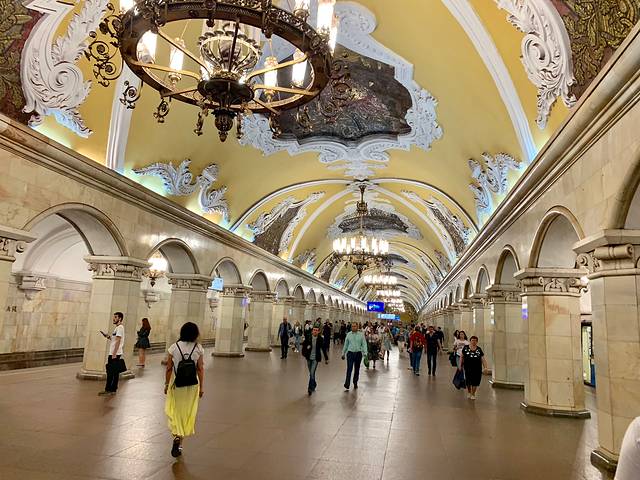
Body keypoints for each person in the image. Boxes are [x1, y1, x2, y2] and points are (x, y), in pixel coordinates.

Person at [164, 322, 205, 457]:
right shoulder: (198, 348)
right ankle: (180, 441)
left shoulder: (174, 347)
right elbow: (200, 369)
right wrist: (201, 387)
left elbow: (169, 368)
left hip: (177, 384)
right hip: (192, 385)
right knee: (187, 411)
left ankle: (177, 435)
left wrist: (166, 384)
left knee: (176, 410)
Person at [98, 312, 125, 396]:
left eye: (116, 317)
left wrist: (114, 354)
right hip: (115, 353)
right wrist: (107, 336)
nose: (114, 318)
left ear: (120, 318)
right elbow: (114, 340)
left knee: (111, 372)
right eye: (114, 317)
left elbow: (118, 341)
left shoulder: (120, 328)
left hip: (115, 353)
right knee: (114, 372)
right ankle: (113, 389)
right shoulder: (117, 328)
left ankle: (108, 390)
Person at [342, 322, 368, 391]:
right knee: (349, 369)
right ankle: (347, 384)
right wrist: (343, 353)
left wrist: (365, 353)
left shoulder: (361, 335)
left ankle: (355, 382)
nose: (353, 328)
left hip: (358, 354)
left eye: (355, 326)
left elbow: (364, 344)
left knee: (357, 369)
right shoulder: (348, 334)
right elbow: (346, 344)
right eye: (352, 326)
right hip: (350, 353)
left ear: (357, 327)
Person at [302, 325, 324, 395]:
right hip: (309, 358)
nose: (315, 331)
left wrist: (326, 358)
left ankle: (310, 388)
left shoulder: (320, 339)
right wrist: (305, 351)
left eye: (316, 330)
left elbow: (323, 348)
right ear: (312, 331)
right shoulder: (308, 337)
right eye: (314, 330)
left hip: (315, 358)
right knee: (311, 373)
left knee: (312, 373)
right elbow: (304, 346)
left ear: (318, 332)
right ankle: (314, 383)